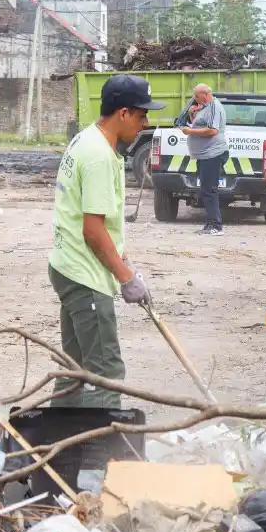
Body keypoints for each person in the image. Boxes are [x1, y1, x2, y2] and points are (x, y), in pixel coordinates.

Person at [49, 74, 164, 408]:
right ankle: (101, 453)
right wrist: (125, 277)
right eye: (142, 116)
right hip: (84, 274)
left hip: (67, 266)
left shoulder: (87, 139)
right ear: (123, 113)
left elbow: (100, 223)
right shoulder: (99, 155)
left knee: (76, 368)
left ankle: (61, 444)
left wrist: (123, 260)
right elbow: (93, 230)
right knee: (105, 371)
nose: (145, 124)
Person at [181, 84, 228, 236]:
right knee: (205, 190)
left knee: (210, 191)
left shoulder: (215, 106)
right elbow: (201, 123)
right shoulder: (205, 107)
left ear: (204, 94)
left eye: (196, 96)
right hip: (204, 155)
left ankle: (216, 226)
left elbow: (212, 130)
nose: (195, 100)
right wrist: (193, 115)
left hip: (212, 154)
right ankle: (209, 224)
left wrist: (190, 131)